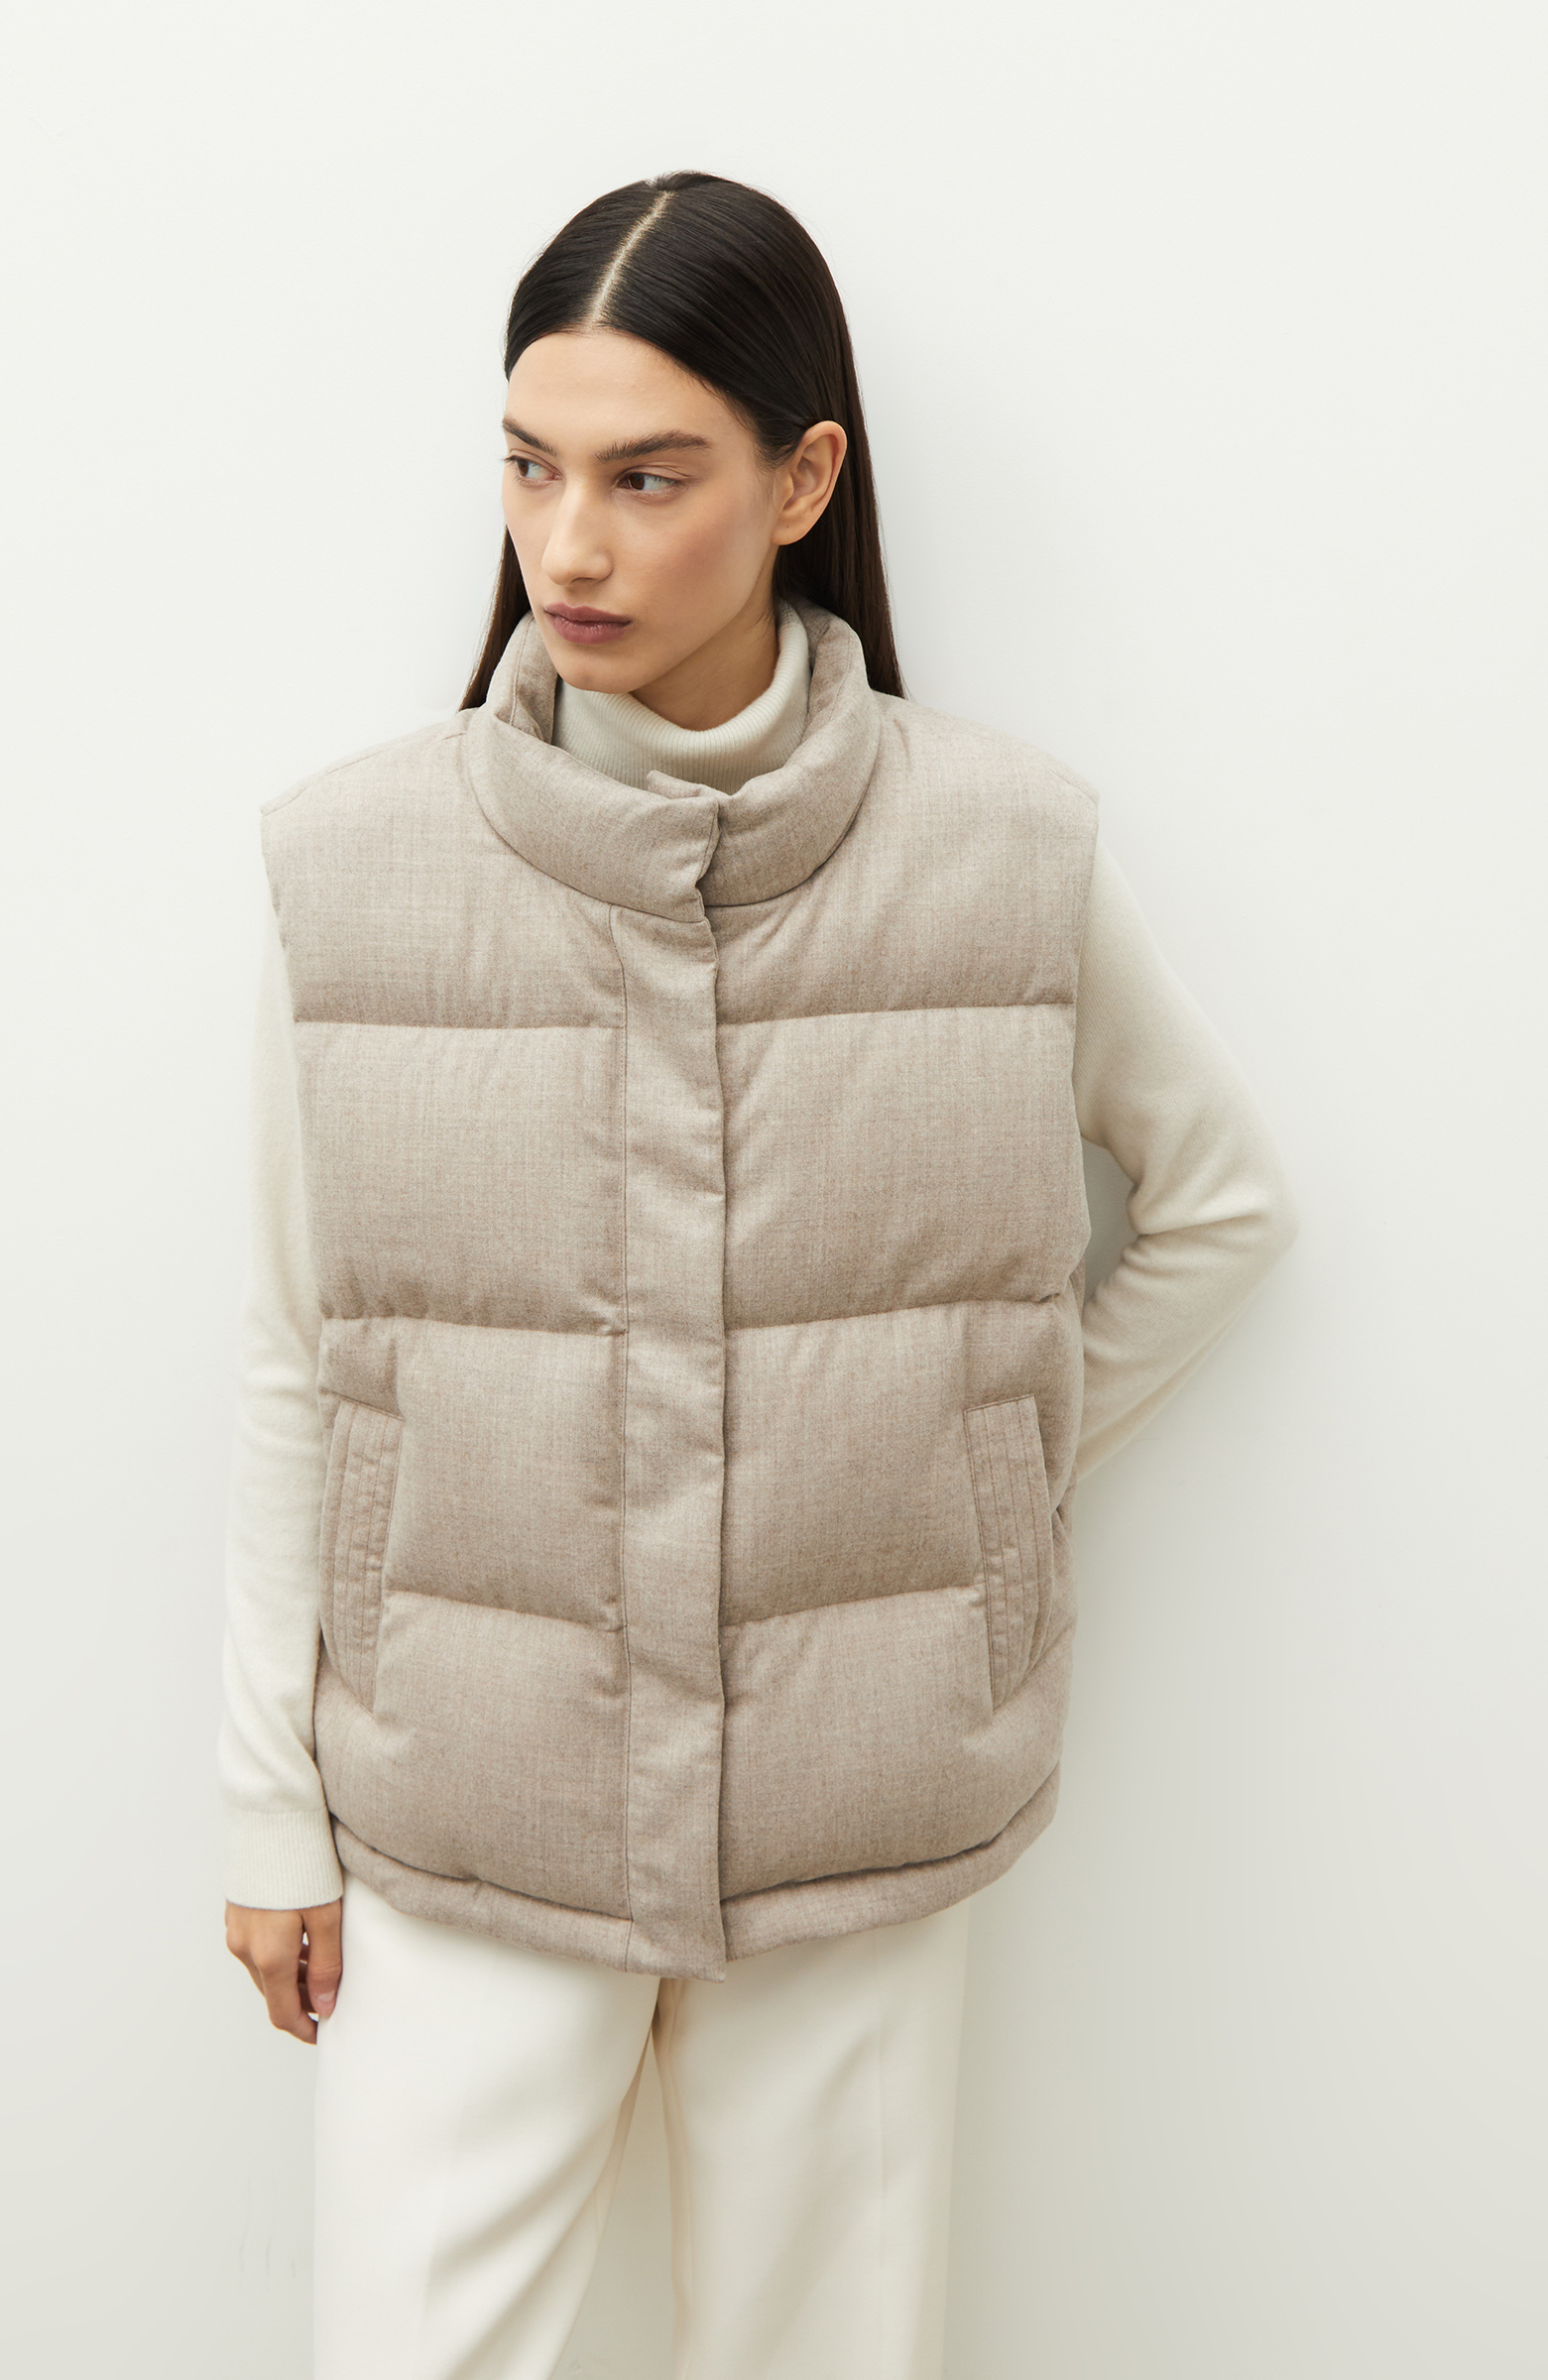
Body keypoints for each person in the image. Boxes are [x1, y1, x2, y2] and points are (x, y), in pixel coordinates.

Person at [217, 170, 1298, 2380]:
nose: (572, 545)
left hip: (860, 1796)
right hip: (461, 1795)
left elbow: (1221, 1206)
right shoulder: (356, 868)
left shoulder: (1004, 849)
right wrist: (266, 1807)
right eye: (530, 466)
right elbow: (294, 1354)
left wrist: (977, 1476)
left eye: (648, 476)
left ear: (804, 482)